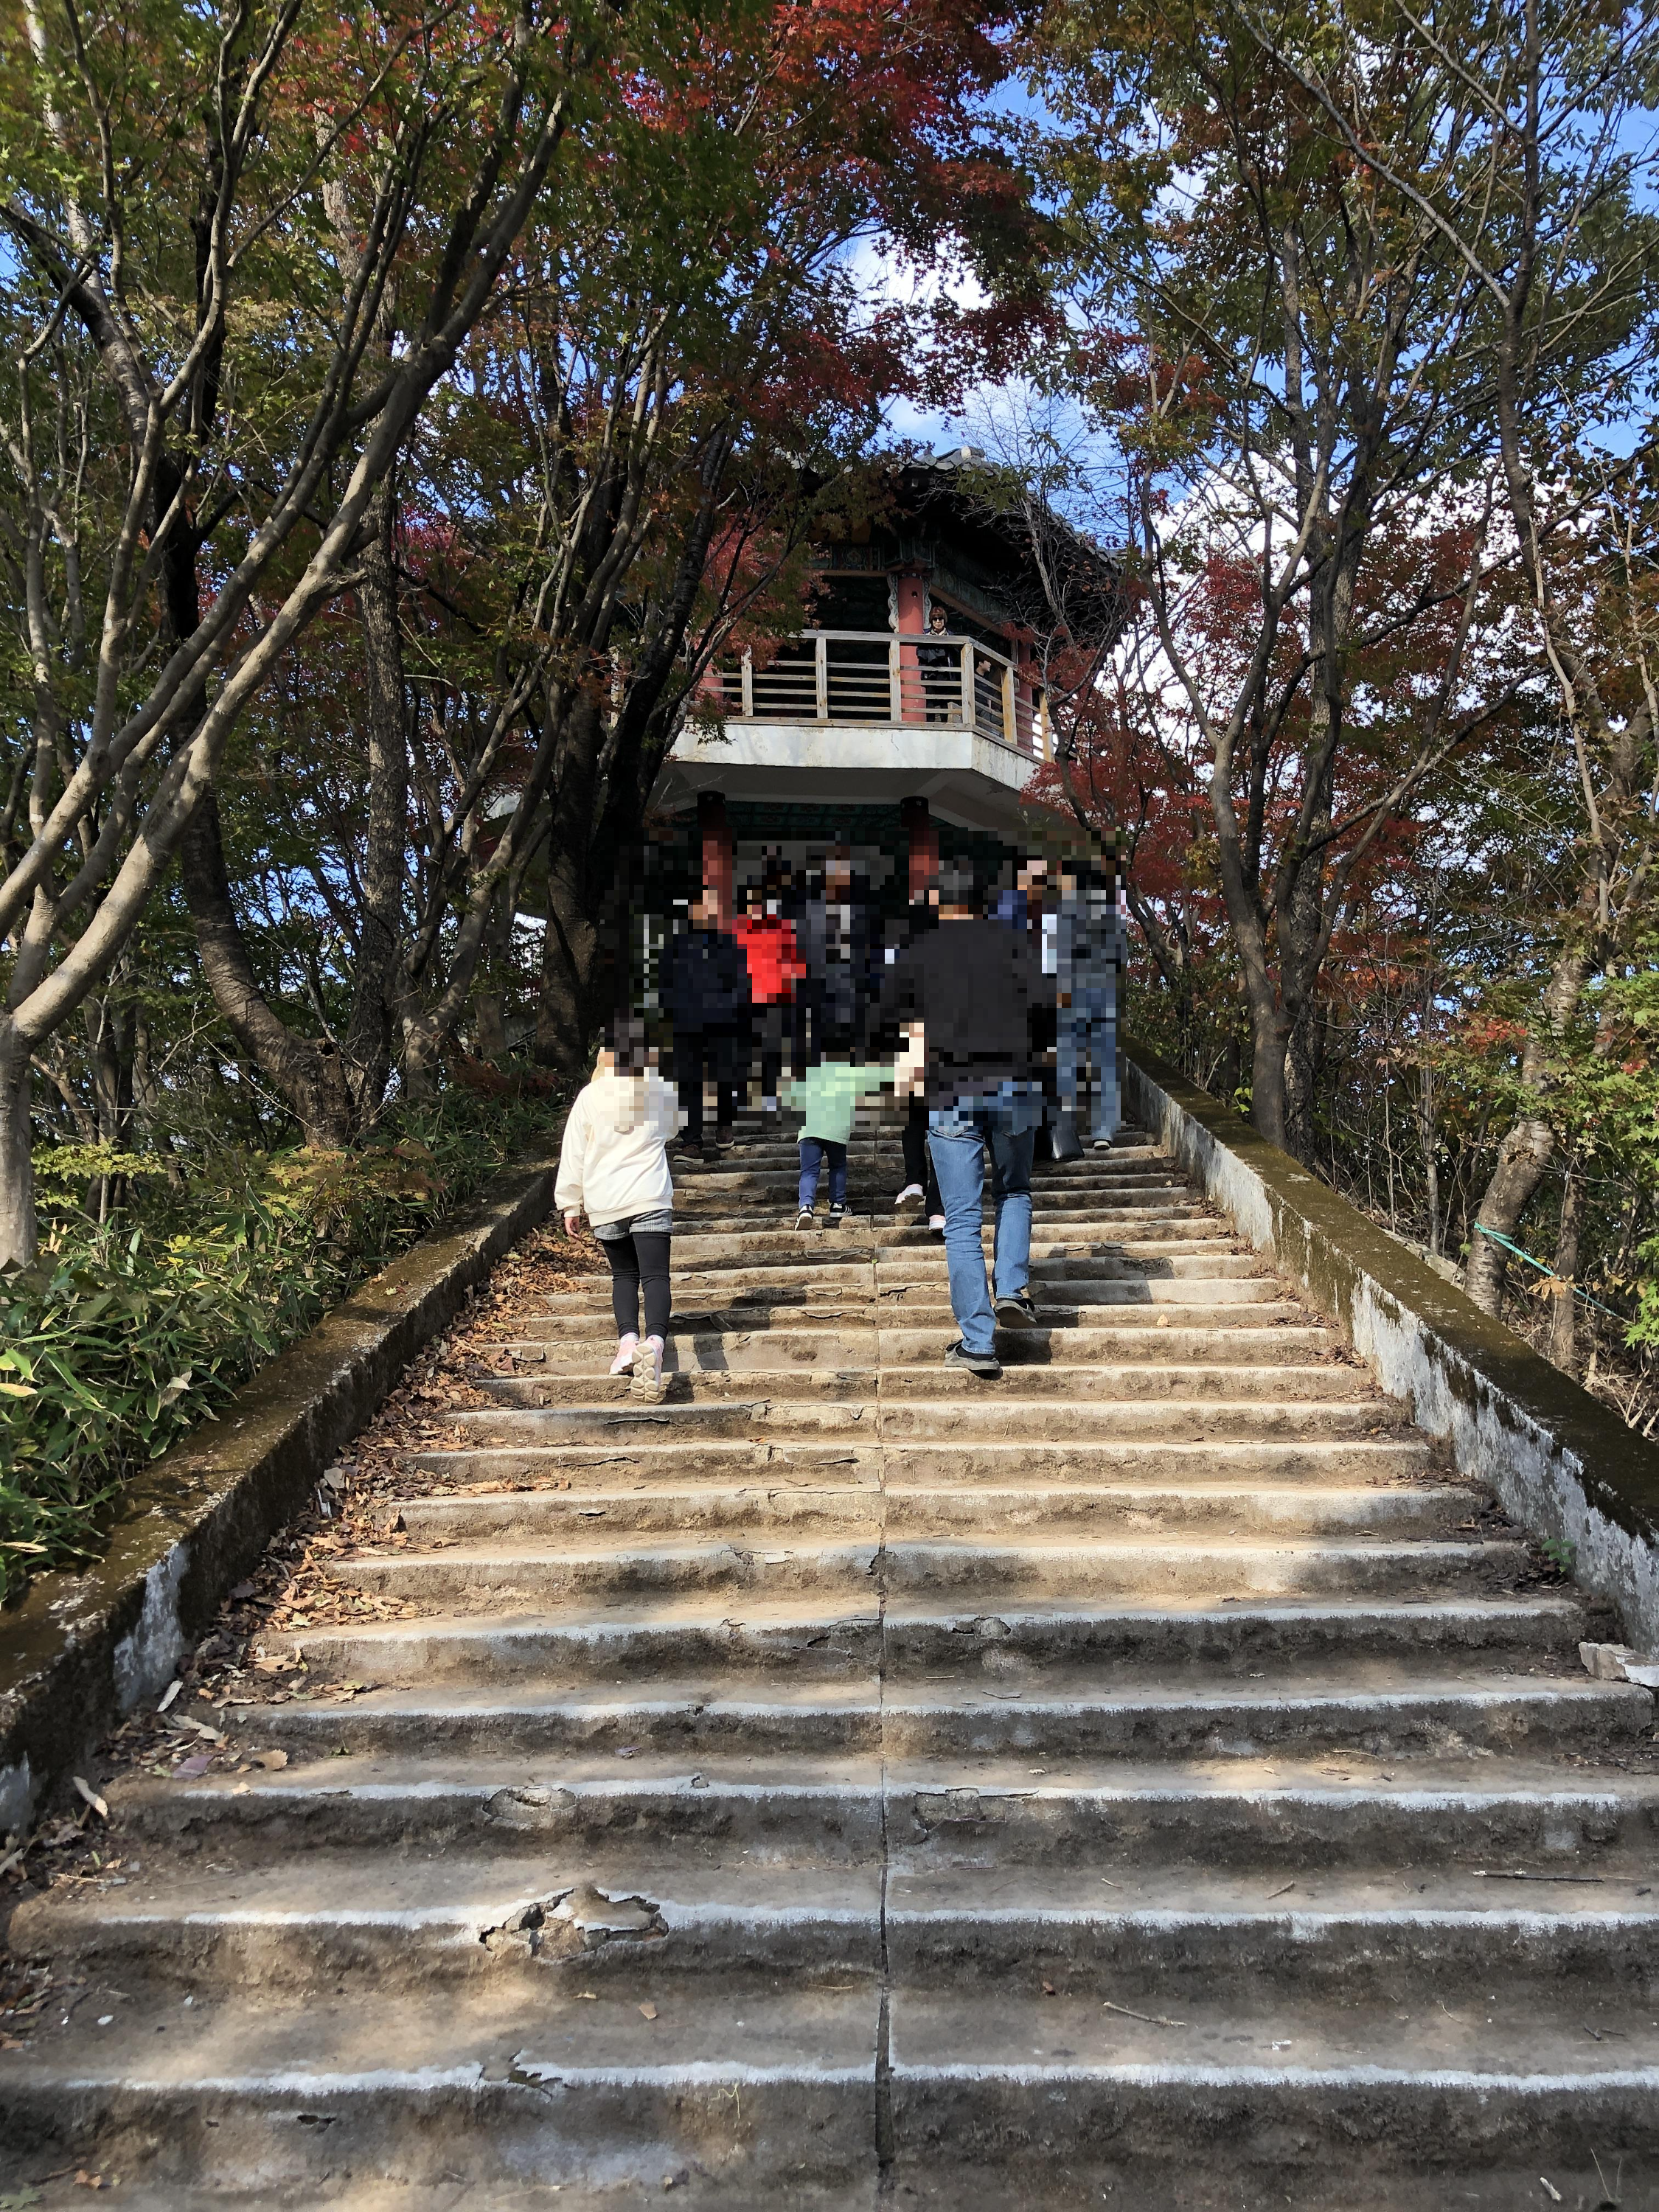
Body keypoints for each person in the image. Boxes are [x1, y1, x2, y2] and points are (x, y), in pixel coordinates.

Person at [877, 859, 1051, 1379]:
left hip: (951, 1090)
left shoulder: (919, 952)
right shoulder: (1016, 943)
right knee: (1015, 1191)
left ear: (937, 902)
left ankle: (978, 1342)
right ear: (982, 901)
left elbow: (887, 1017)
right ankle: (1014, 1289)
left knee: (962, 1220)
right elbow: (1048, 1011)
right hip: (1016, 1085)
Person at [555, 1020, 681, 1402]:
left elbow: (573, 1151)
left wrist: (569, 1202)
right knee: (656, 1276)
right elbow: (674, 1130)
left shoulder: (590, 1096)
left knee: (624, 1276)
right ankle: (656, 1344)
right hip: (649, 1195)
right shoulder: (660, 1090)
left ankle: (627, 1342)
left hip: (606, 1202)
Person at [661, 891, 752, 1154]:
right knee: (689, 1082)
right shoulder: (675, 946)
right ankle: (691, 1139)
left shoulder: (730, 946)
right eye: (700, 906)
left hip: (723, 1024)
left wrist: (732, 1014)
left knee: (726, 1077)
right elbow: (665, 984)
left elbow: (742, 986)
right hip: (686, 1024)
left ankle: (724, 1128)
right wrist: (674, 1014)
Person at [1055, 860, 1123, 1150]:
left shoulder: (1059, 915)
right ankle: (1103, 1131)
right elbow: (1121, 961)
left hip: (1067, 998)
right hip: (1103, 996)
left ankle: (1065, 1132)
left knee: (1066, 1065)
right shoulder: (1109, 916)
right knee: (1105, 1066)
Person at [784, 1053, 891, 1230]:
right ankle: (838, 1204)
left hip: (810, 1126)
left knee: (809, 1172)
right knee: (838, 1166)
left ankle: (806, 1207)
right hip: (837, 1127)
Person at [728, 874, 804, 1116]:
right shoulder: (735, 929)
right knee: (742, 1051)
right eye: (751, 901)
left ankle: (770, 1094)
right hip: (743, 998)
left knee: (772, 1049)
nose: (755, 906)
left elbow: (795, 962)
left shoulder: (780, 927)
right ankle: (739, 1097)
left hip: (775, 998)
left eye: (759, 901)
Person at [914, 601, 959, 724]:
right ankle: (930, 723)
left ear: (944, 620)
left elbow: (956, 654)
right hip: (930, 672)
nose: (938, 622)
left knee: (943, 699)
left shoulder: (951, 636)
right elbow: (919, 652)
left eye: (940, 619)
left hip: (945, 672)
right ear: (932, 621)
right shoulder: (925, 634)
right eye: (935, 619)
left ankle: (944, 723)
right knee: (930, 699)